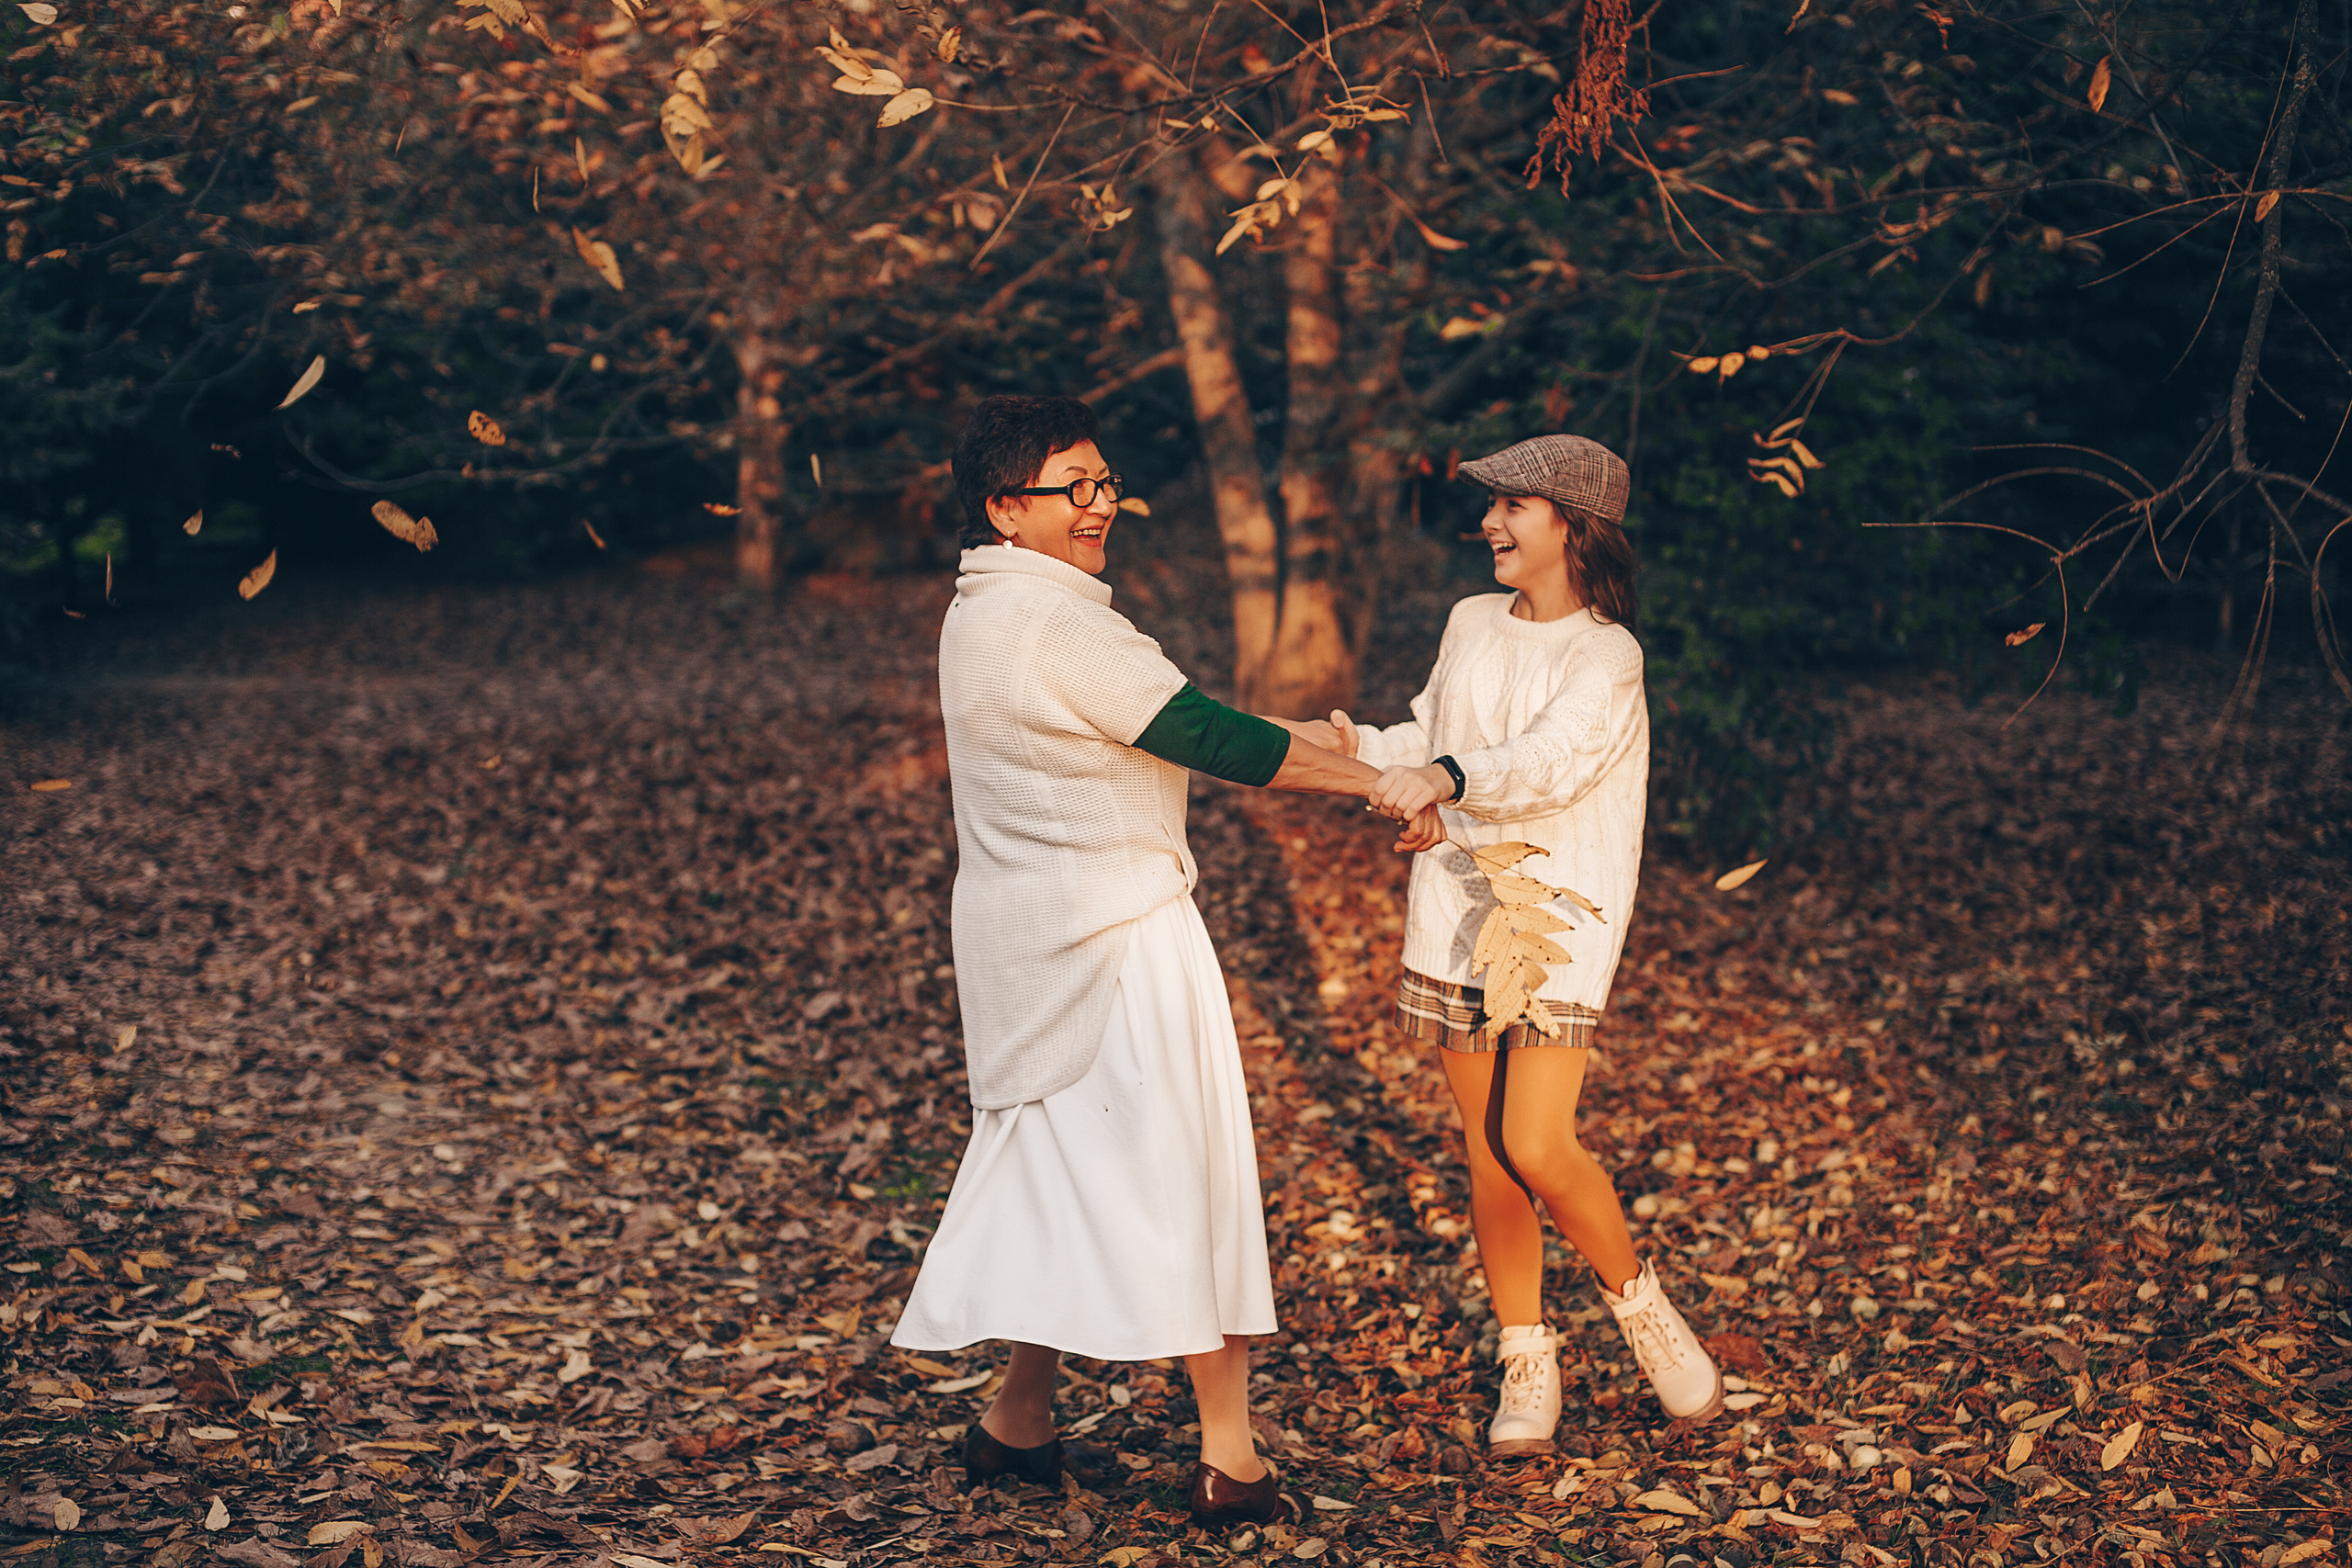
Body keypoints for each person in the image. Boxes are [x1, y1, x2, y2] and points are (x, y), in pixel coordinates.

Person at [889, 395, 1394, 1524]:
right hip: (1114, 943)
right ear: (1005, 507)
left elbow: (1167, 719)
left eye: (1107, 483)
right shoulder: (1050, 624)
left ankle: (1016, 1421)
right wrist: (1374, 782)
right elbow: (1202, 738)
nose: (1101, 505)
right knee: (1181, 1178)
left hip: (1033, 946)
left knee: (1059, 1179)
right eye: (1076, 488)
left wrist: (1319, 742)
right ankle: (1231, 1459)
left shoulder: (986, 611)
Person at [1347, 434, 1722, 1457]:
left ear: (1573, 524)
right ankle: (1527, 1353)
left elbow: (1548, 765)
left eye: (1513, 506)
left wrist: (1444, 779)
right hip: (1456, 912)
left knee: (1538, 1142)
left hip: (1558, 924)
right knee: (1486, 1155)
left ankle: (1640, 1309)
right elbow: (1426, 733)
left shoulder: (1609, 653)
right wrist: (1357, 751)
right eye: (1492, 505)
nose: (1490, 523)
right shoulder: (1470, 620)